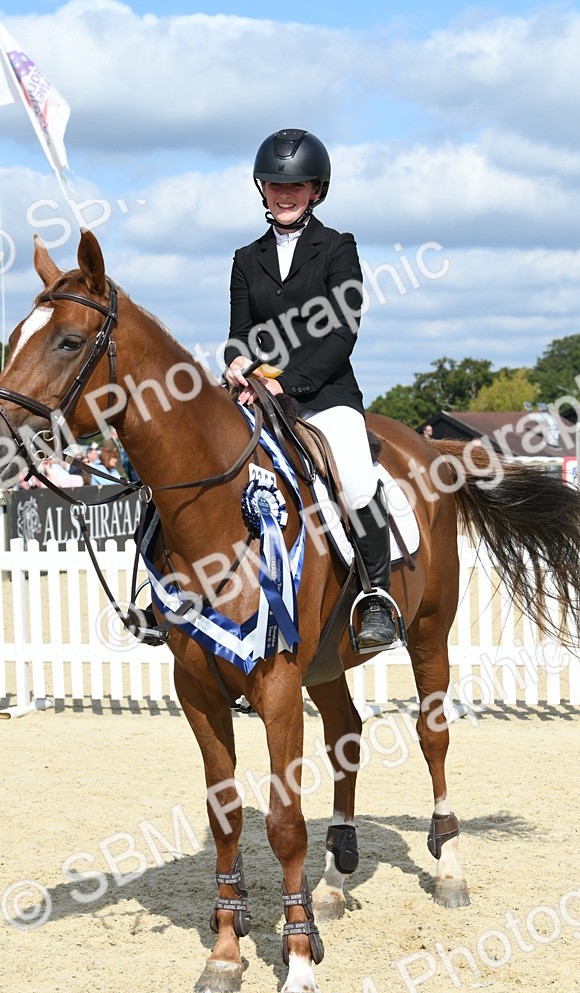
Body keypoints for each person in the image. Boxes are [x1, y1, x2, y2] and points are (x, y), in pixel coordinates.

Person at [223, 128, 397, 650]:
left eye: (295, 185)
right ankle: (171, 595)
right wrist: (235, 365)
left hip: (324, 396)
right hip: (256, 397)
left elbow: (343, 331)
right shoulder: (245, 257)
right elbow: (237, 333)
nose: (284, 192)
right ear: (262, 188)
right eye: (275, 183)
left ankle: (377, 600)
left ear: (316, 190)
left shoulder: (338, 248)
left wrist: (289, 385)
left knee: (357, 484)